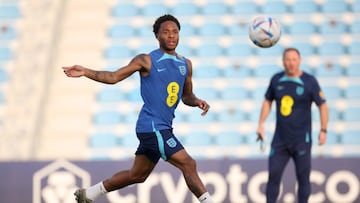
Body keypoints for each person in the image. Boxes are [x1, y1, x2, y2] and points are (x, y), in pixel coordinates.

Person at [63, 14, 214, 203]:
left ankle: (89, 194)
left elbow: (186, 96)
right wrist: (86, 71)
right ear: (157, 36)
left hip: (160, 127)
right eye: (165, 32)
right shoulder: (146, 60)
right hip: (152, 126)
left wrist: (197, 100)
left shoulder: (186, 64)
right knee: (188, 164)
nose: (171, 36)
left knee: (137, 175)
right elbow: (113, 77)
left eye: (175, 32)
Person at [256, 47, 328, 203]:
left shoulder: (309, 81)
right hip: (280, 140)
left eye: (294, 59)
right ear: (283, 61)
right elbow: (268, 101)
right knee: (273, 176)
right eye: (287, 59)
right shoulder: (276, 79)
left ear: (299, 61)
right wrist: (261, 124)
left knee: (303, 178)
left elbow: (322, 105)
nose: (291, 63)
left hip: (302, 140)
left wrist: (323, 130)